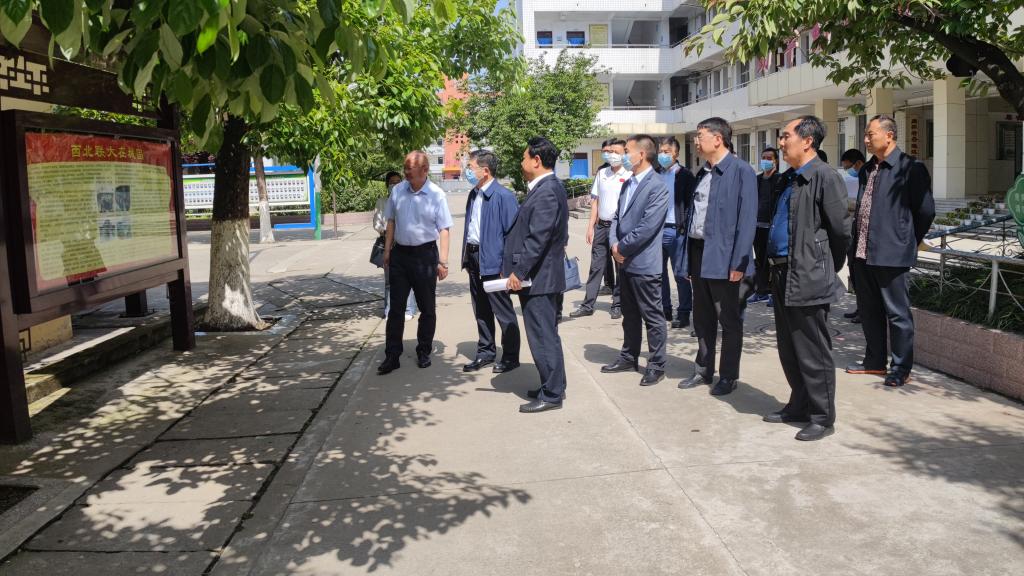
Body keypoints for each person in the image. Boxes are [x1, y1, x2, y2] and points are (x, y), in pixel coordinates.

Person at [764, 116, 851, 441]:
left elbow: (840, 231)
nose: (781, 142)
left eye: (785, 136)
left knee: (813, 350)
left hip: (808, 274)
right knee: (789, 347)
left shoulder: (825, 177)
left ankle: (822, 416)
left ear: (807, 140)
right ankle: (799, 405)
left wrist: (823, 265)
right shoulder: (789, 178)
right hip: (781, 272)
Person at [846, 115, 935, 387]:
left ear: (889, 135)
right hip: (862, 252)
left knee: (897, 314)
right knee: (869, 310)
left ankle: (900, 368)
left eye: (870, 134)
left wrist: (906, 239)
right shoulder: (867, 169)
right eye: (865, 134)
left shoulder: (910, 168)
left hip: (892, 254)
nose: (865, 139)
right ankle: (874, 362)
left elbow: (925, 211)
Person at [678, 117, 757, 396]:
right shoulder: (703, 173)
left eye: (700, 136)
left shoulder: (741, 171)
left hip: (726, 258)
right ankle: (703, 369)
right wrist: (687, 261)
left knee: (729, 319)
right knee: (702, 317)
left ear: (718, 138)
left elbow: (747, 221)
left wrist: (739, 262)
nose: (696, 141)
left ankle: (728, 375)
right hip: (699, 253)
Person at [505, 137, 570, 413]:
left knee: (542, 336)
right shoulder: (546, 188)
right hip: (542, 276)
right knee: (546, 334)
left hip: (540, 278)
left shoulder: (547, 191)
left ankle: (552, 394)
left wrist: (519, 272)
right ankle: (552, 385)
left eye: (523, 158)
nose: (521, 163)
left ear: (536, 160)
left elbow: (538, 238)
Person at [601, 134, 670, 386]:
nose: (622, 156)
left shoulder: (657, 186)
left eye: (627, 151)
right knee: (629, 315)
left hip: (644, 262)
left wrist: (622, 247)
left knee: (652, 316)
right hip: (624, 261)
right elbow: (616, 218)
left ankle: (656, 365)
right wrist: (613, 244)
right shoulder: (628, 182)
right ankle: (628, 357)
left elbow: (647, 227)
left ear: (641, 154)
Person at [378, 151, 453, 375]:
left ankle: (424, 350)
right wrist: (388, 250)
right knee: (396, 308)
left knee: (427, 307)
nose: (406, 173)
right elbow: (391, 221)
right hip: (400, 255)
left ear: (425, 170)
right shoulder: (398, 191)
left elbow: (444, 229)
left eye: (410, 169)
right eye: (405, 169)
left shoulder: (436, 195)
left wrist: (443, 262)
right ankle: (392, 355)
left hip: (425, 256)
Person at [461, 150, 521, 374]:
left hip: (495, 262)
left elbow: (513, 236)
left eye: (470, 167)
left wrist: (508, 268)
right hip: (474, 257)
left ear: (485, 171)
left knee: (503, 311)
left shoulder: (504, 196)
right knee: (481, 310)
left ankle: (511, 356)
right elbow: (471, 228)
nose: (467, 171)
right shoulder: (473, 194)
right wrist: (467, 257)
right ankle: (485, 352)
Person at [571, 138, 630, 320]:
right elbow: (595, 201)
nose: (612, 155)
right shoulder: (602, 173)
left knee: (620, 267)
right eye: (610, 151)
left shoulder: (629, 174)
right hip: (602, 227)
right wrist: (591, 227)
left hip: (620, 229)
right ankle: (588, 304)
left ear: (625, 154)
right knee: (596, 267)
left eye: (617, 152)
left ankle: (618, 304)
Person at [657, 136, 696, 329]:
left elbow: (690, 205)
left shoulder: (685, 175)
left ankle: (684, 312)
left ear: (676, 153)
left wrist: (685, 228)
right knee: (658, 273)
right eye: (660, 152)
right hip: (657, 231)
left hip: (677, 231)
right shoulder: (656, 174)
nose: (663, 155)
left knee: (680, 274)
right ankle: (664, 309)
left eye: (666, 152)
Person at [374, 171, 417, 320]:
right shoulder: (382, 202)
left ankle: (409, 309)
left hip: (405, 244)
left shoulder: (408, 200)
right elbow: (377, 223)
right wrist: (386, 231)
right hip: (389, 244)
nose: (395, 185)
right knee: (389, 281)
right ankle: (389, 310)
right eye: (392, 182)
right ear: (387, 185)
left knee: (408, 279)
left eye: (398, 182)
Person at [749, 148, 782, 305]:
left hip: (773, 227)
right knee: (760, 261)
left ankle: (775, 294)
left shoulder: (780, 179)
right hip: (758, 226)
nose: (766, 161)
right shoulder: (757, 179)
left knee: (773, 262)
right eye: (764, 157)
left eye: (769, 158)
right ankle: (760, 291)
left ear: (776, 161)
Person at [839, 148, 867, 324]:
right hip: (852, 232)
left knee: (861, 274)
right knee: (853, 271)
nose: (847, 171)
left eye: (848, 167)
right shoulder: (851, 179)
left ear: (858, 163)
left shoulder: (868, 178)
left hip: (863, 235)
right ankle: (860, 307)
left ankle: (865, 311)